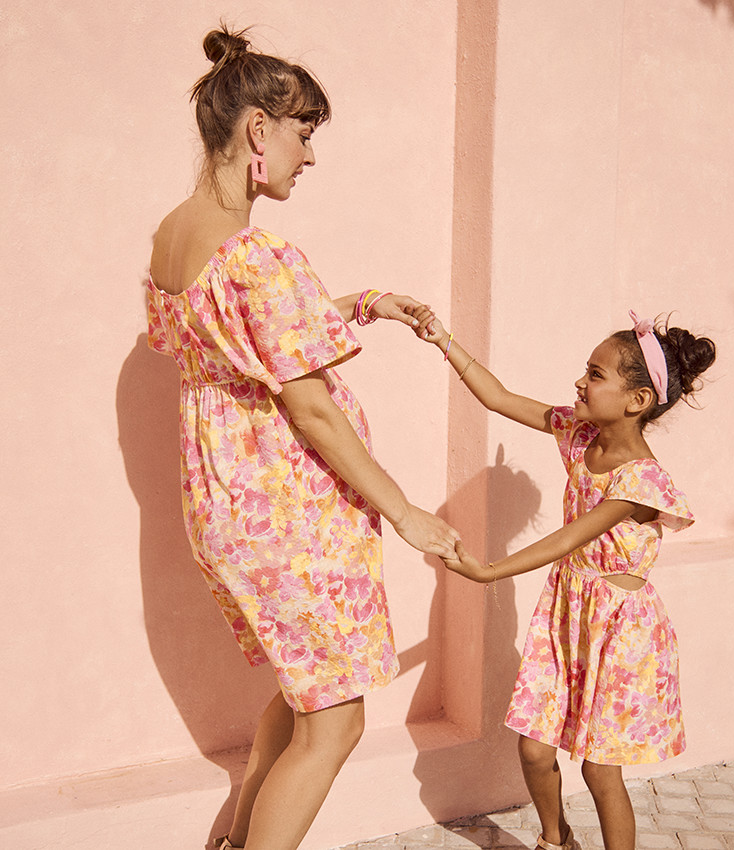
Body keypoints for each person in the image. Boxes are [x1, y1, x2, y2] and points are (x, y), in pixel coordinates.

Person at [146, 25, 458, 850]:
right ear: (259, 129)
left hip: (226, 504)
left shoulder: (173, 237)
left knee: (302, 697)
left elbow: (238, 341)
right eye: (304, 132)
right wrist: (405, 513)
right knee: (337, 723)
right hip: (284, 515)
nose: (309, 156)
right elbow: (310, 407)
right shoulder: (260, 256)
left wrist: (360, 304)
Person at [413, 308, 715, 850]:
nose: (580, 381)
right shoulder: (578, 433)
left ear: (638, 401)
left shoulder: (642, 482)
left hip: (620, 632)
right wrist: (443, 340)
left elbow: (566, 539)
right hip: (565, 612)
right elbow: (500, 398)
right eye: (586, 369)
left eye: (596, 375)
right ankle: (556, 841)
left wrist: (487, 572)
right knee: (533, 749)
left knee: (600, 772)